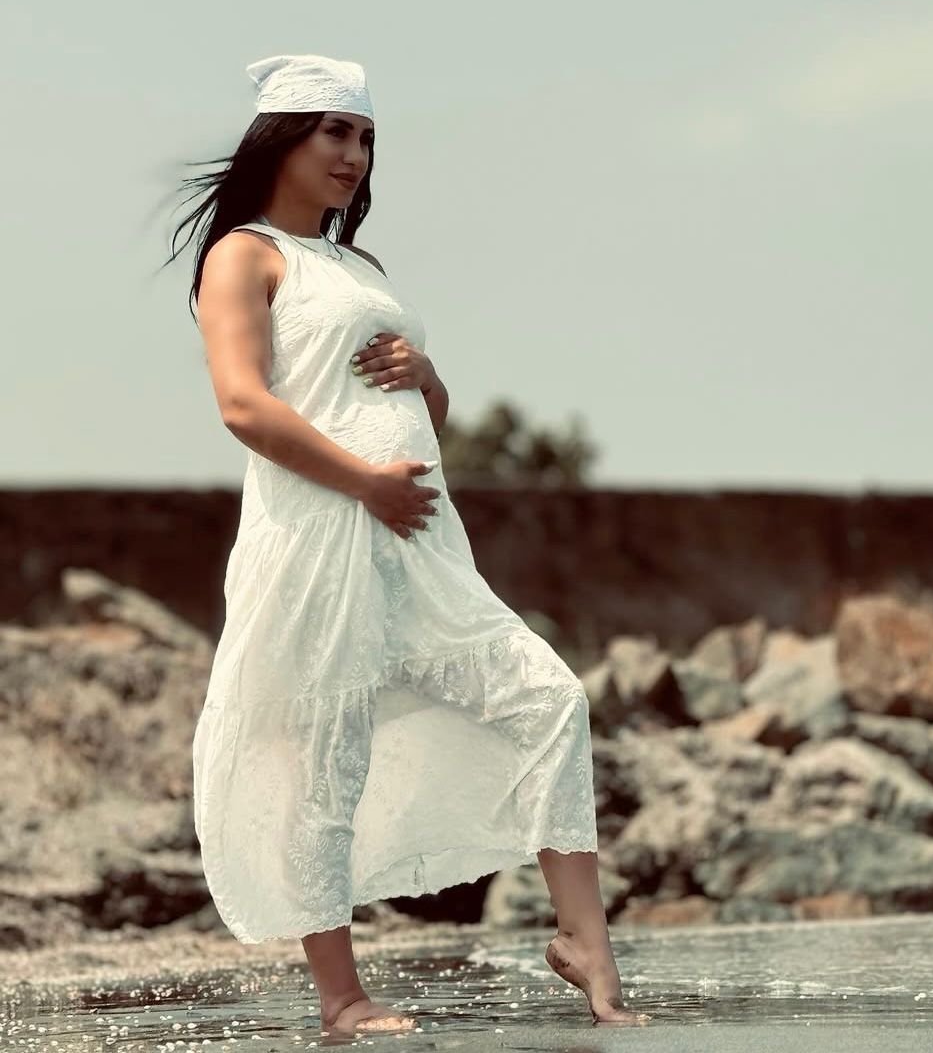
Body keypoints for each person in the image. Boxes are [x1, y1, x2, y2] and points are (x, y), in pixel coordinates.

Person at [166, 53, 651, 1035]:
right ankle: (341, 997)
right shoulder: (244, 255)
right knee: (325, 753)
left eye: (364, 137)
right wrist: (364, 483)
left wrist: (429, 377)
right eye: (334, 132)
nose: (353, 154)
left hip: (418, 546)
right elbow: (242, 404)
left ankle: (583, 943)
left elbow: (413, 415)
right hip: (319, 541)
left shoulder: (358, 267)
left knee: (549, 699)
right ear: (281, 139)